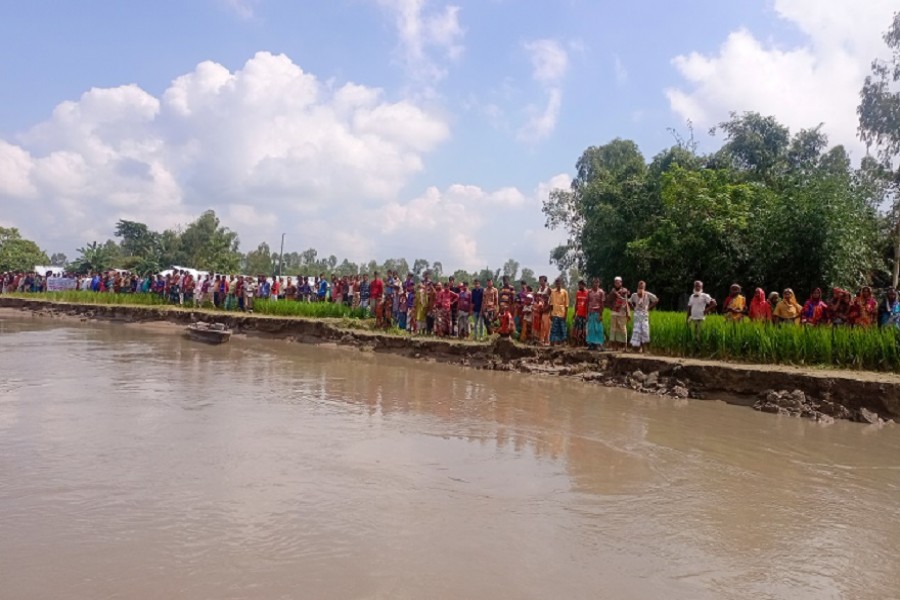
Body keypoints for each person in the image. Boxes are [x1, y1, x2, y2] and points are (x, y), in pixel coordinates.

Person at [629, 280, 658, 353]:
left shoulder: (647, 294)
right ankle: (636, 348)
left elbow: (656, 300)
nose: (640, 288)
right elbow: (629, 301)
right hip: (637, 313)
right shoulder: (634, 295)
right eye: (639, 287)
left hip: (644, 314)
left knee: (644, 330)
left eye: (642, 287)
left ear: (644, 288)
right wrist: (633, 308)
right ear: (637, 287)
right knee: (637, 330)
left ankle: (644, 348)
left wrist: (649, 307)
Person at [607, 277, 630, 350]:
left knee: (623, 329)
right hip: (614, 312)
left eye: (618, 282)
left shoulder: (624, 291)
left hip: (622, 312)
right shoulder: (612, 291)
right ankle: (615, 346)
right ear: (614, 283)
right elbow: (608, 300)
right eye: (615, 282)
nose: (617, 283)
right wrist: (612, 307)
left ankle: (625, 347)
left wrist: (628, 313)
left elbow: (626, 301)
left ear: (621, 283)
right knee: (614, 329)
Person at [586, 278, 606, 350]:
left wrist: (601, 315)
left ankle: (599, 343)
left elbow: (602, 304)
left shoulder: (601, 292)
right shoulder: (589, 292)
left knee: (598, 329)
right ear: (592, 283)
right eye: (594, 282)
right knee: (591, 328)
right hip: (590, 312)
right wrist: (587, 314)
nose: (596, 284)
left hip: (597, 312)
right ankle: (591, 344)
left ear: (599, 283)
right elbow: (587, 303)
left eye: (597, 282)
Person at [549, 278, 569, 346]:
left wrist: (566, 314)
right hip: (554, 313)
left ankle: (563, 342)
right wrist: (550, 313)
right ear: (555, 284)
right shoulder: (553, 292)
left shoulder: (564, 292)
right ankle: (552, 342)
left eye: (559, 283)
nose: (558, 284)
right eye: (557, 283)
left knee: (563, 328)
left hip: (562, 313)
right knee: (554, 328)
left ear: (561, 284)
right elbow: (551, 304)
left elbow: (566, 305)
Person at [571, 280, 588, 346]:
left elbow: (588, 304)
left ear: (584, 285)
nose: (579, 286)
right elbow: (576, 303)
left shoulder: (587, 293)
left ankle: (584, 343)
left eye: (581, 285)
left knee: (583, 329)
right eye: (579, 285)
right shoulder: (578, 292)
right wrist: (574, 313)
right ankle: (575, 343)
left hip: (584, 315)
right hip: (578, 314)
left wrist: (587, 315)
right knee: (575, 329)